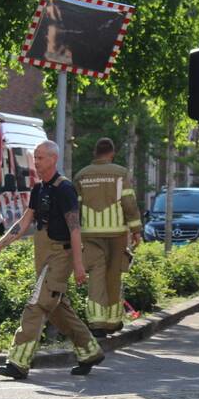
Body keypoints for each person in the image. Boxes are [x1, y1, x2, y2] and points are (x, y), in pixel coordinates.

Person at [0, 141, 104, 379]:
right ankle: (90, 351)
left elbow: (75, 228)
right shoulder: (39, 189)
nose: (35, 162)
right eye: (35, 158)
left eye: (40, 158)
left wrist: (79, 265)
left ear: (53, 160)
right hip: (44, 255)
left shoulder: (65, 188)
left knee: (37, 305)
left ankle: (18, 362)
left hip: (61, 256)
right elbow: (23, 223)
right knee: (58, 310)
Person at [74, 138, 143, 337]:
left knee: (96, 276)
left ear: (95, 153)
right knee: (113, 276)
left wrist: (74, 236)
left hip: (90, 234)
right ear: (111, 153)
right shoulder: (120, 174)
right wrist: (136, 230)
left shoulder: (81, 176)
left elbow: (75, 209)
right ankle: (113, 322)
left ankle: (96, 322)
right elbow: (129, 203)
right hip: (116, 234)